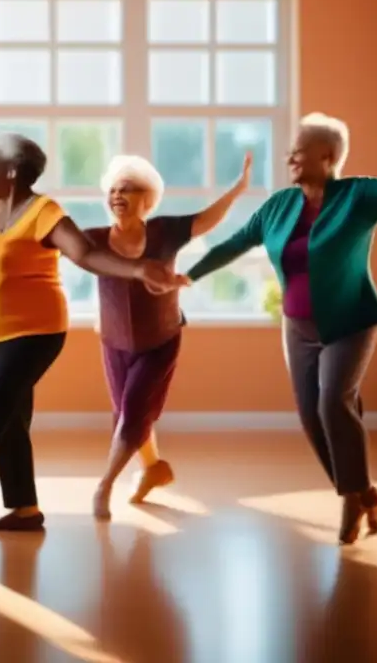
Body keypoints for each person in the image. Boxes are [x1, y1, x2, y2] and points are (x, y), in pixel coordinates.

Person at [0, 133, 184, 532]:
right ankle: (25, 509)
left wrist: (137, 268)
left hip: (38, 331)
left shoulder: (44, 212)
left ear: (11, 170)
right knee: (9, 416)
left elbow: (85, 253)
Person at [185, 112, 377, 544]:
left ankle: (350, 499)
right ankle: (364, 492)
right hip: (297, 326)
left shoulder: (358, 196)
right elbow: (234, 244)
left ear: (326, 156)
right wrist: (189, 275)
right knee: (311, 418)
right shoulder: (279, 206)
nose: (289, 155)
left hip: (351, 323)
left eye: (299, 149)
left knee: (333, 404)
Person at [86, 151, 251, 520]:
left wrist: (237, 189)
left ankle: (105, 485)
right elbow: (56, 243)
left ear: (146, 199)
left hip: (160, 339)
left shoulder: (163, 231)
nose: (117, 195)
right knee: (127, 413)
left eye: (126, 189)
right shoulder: (93, 240)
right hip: (113, 342)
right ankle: (153, 469)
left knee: (131, 415)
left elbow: (206, 220)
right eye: (112, 189)